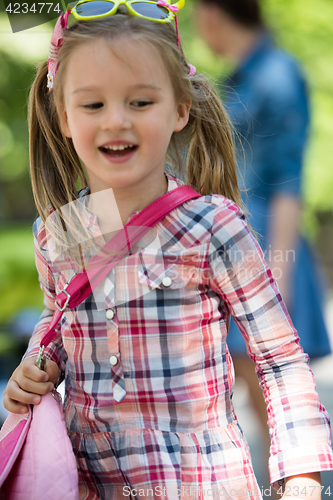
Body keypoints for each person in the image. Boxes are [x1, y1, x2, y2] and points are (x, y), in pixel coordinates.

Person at [3, 1, 333, 498]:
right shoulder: (57, 236)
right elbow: (57, 327)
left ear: (179, 109)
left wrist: (303, 479)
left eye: (140, 102)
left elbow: (280, 359)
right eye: (93, 105)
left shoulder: (214, 227)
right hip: (91, 483)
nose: (116, 121)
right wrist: (34, 368)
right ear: (64, 117)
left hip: (199, 484)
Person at [196, 0, 332, 490]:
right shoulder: (235, 78)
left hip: (270, 250)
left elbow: (287, 183)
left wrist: (278, 274)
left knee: (275, 382)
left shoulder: (277, 74)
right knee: (247, 380)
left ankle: (292, 481)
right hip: (234, 249)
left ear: (212, 13)